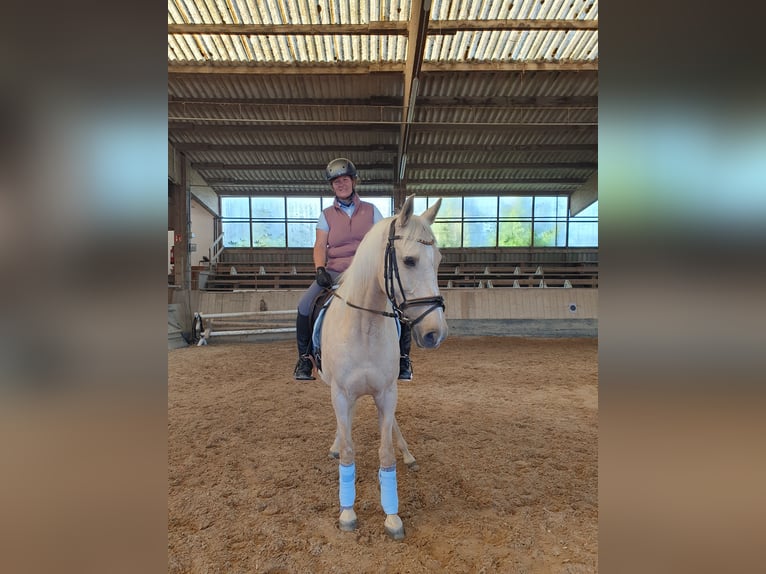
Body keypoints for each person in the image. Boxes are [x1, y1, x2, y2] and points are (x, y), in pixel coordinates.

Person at [293, 158, 414, 381]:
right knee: (304, 306)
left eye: (345, 179)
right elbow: (320, 244)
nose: (341, 184)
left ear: (353, 181)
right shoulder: (326, 214)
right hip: (335, 272)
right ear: (332, 186)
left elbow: (383, 241)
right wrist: (320, 268)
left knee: (400, 306)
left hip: (367, 274)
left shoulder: (371, 211)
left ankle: (403, 358)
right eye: (336, 181)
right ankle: (305, 358)